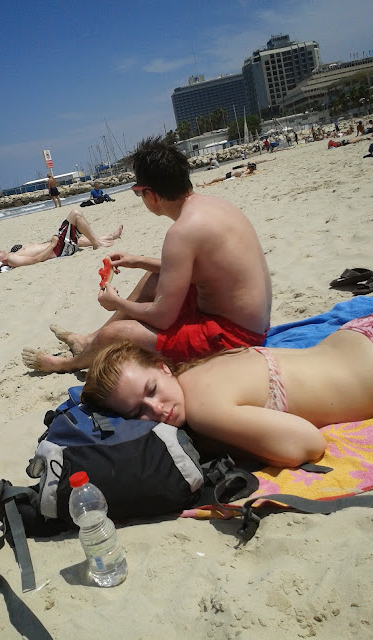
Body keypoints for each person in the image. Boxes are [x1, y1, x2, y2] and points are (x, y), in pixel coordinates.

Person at [22, 136, 271, 374]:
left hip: (233, 340)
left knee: (115, 334)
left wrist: (116, 303)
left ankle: (68, 364)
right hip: (251, 323)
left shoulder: (181, 232)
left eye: (138, 192)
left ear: (150, 194)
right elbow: (200, 268)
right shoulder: (213, 206)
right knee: (153, 278)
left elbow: (162, 318)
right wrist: (137, 261)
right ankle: (88, 341)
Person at [81, 314, 373, 468]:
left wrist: (227, 444)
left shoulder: (202, 410)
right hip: (355, 335)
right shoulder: (198, 369)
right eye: (138, 412)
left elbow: (308, 445)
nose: (156, 408)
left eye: (152, 390)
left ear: (162, 368)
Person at [0, 209, 123, 268]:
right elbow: (35, 260)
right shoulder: (11, 259)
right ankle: (96, 243)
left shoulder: (13, 253)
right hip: (58, 250)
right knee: (75, 214)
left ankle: (108, 237)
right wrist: (52, 244)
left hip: (59, 246)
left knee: (76, 239)